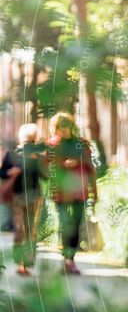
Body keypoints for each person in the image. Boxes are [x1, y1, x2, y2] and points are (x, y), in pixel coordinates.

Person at [43, 112, 98, 275]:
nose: (63, 131)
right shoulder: (52, 145)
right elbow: (45, 169)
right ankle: (66, 260)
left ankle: (70, 260)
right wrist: (61, 165)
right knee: (65, 224)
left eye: (66, 127)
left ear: (71, 127)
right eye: (59, 127)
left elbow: (90, 168)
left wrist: (94, 192)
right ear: (55, 129)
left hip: (79, 192)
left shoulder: (81, 144)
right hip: (60, 193)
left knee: (75, 226)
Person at [0, 124, 45, 276]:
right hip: (22, 197)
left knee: (24, 230)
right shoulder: (14, 153)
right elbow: (2, 172)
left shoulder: (33, 154)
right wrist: (10, 172)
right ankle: (22, 263)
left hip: (29, 197)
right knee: (26, 230)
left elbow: (45, 175)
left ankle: (23, 263)